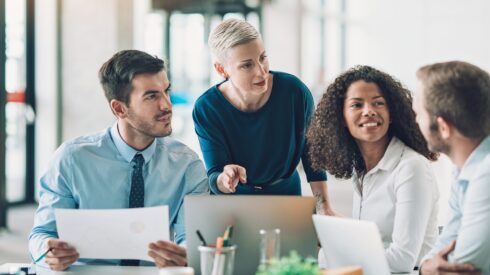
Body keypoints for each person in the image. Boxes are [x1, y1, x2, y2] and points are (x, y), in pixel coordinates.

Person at [28, 50, 209, 271]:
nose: (167, 105)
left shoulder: (187, 166)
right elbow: (42, 234)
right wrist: (47, 251)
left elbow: (190, 237)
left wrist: (185, 253)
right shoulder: (72, 159)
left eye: (166, 91)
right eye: (152, 96)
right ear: (119, 108)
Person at [192, 19, 336, 214]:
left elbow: (313, 156)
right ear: (221, 69)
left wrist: (324, 207)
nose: (261, 71)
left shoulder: (294, 92)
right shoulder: (207, 108)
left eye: (263, 57)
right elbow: (215, 174)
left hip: (287, 198)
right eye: (247, 65)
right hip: (235, 208)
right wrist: (224, 179)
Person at [306, 65, 439, 272]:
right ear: (341, 117)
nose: (369, 111)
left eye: (378, 103)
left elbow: (402, 259)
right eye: (357, 105)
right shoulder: (361, 171)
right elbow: (372, 243)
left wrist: (325, 255)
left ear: (391, 113)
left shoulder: (411, 168)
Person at [414, 61, 490, 275]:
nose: (416, 121)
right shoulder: (469, 167)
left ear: (443, 127)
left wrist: (427, 269)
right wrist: (425, 268)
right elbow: (444, 246)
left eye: (419, 114)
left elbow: (460, 268)